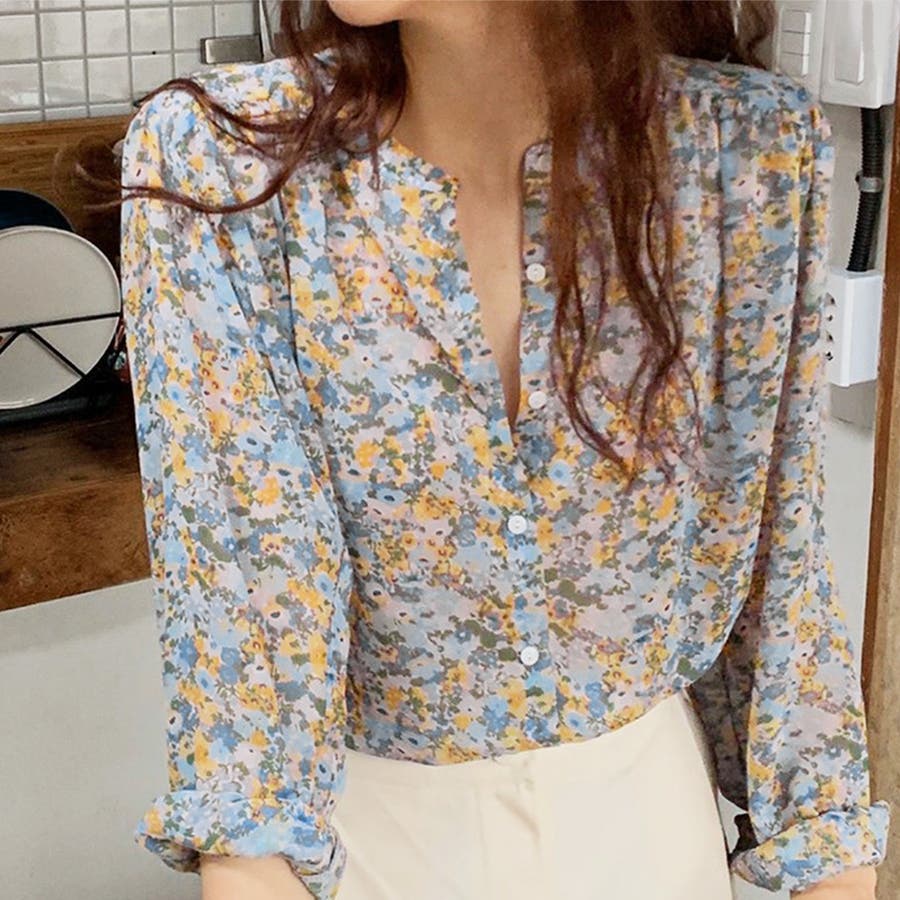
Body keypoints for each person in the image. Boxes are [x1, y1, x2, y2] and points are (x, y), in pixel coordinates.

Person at [116, 2, 890, 899]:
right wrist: (248, 866)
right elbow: (248, 595)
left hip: (652, 836)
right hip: (368, 850)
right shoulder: (220, 164)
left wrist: (833, 861)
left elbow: (778, 568)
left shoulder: (743, 154)